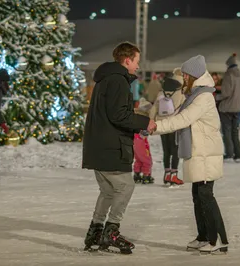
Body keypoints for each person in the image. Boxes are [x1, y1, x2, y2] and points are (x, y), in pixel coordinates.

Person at [148, 55, 229, 254]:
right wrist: (152, 122)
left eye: (185, 74)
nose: (183, 77)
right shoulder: (195, 94)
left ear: (193, 75)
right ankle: (203, 236)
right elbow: (177, 116)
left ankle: (217, 238)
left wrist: (156, 126)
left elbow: (183, 119)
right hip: (198, 151)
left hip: (205, 153)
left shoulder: (202, 98)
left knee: (205, 195)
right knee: (198, 195)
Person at [82, 42, 155, 254]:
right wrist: (144, 122)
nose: (137, 67)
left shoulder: (105, 79)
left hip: (100, 145)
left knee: (108, 191)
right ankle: (111, 231)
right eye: (136, 62)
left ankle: (95, 231)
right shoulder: (118, 81)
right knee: (125, 187)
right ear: (127, 60)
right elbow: (118, 115)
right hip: (111, 146)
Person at [149, 70, 185, 185]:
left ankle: (167, 174)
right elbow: (186, 109)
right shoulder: (181, 93)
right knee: (175, 150)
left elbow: (154, 108)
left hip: (162, 124)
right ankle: (174, 175)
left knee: (166, 150)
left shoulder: (162, 92)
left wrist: (151, 121)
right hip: (174, 125)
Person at [218, 53, 240, 163]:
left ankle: (229, 153)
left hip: (227, 108)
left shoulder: (229, 75)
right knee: (235, 132)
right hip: (237, 107)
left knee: (226, 132)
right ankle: (238, 153)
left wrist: (217, 97)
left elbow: (226, 93)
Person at [133, 98, 154, 184]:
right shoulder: (145, 120)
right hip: (142, 141)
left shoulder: (134, 117)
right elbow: (147, 132)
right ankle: (146, 175)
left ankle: (136, 174)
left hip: (134, 140)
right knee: (146, 158)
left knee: (138, 158)